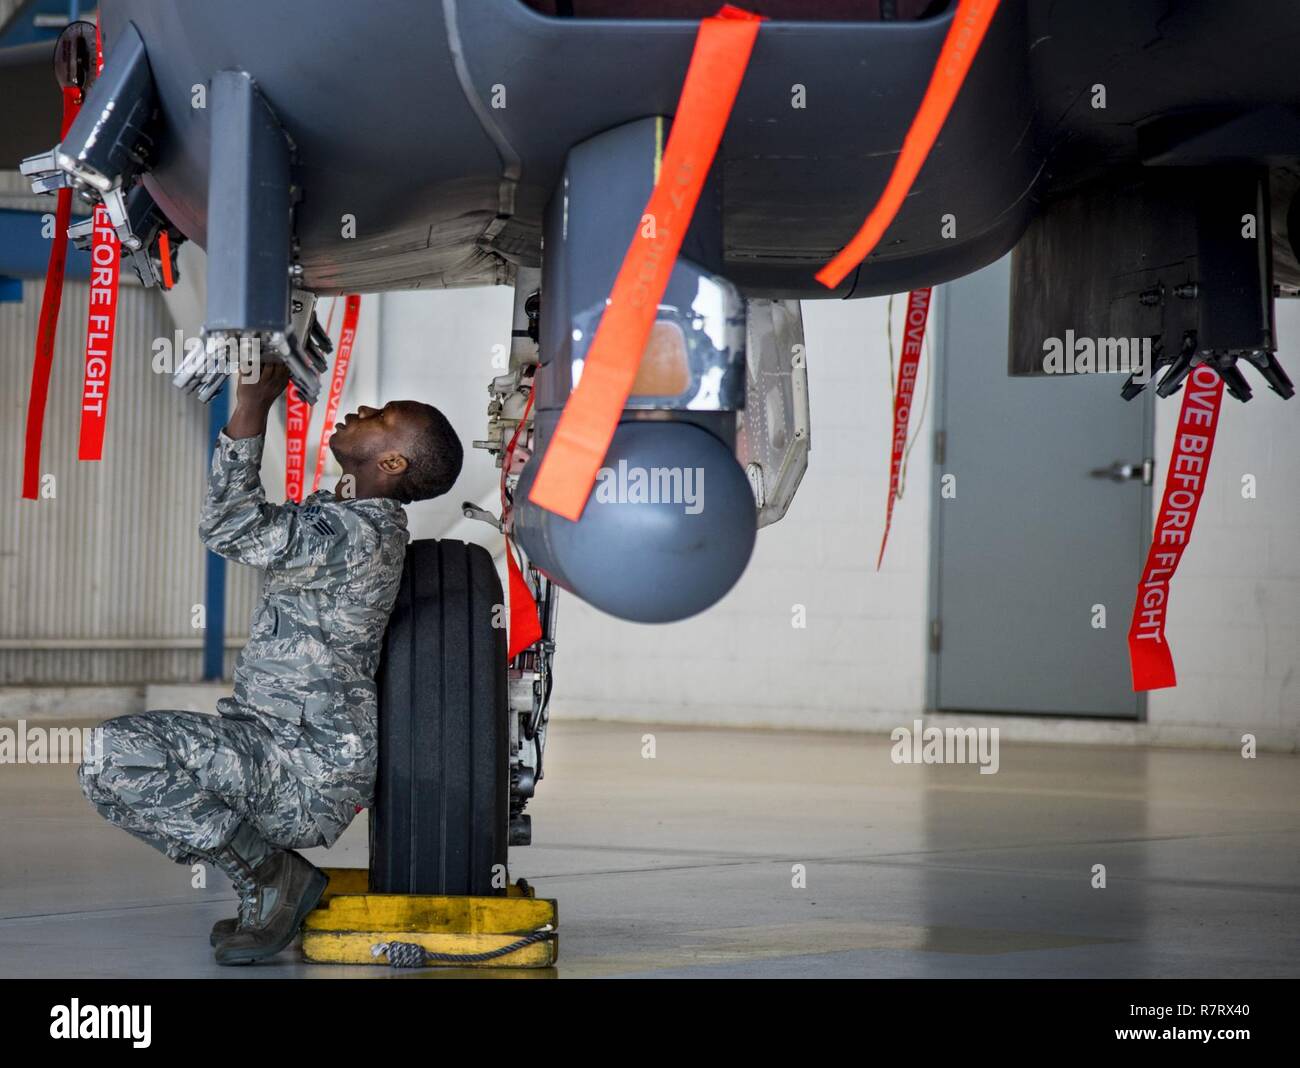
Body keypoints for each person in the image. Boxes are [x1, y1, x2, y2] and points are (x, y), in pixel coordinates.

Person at [78, 361, 463, 965]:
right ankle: (268, 882)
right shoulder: (349, 521)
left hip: (303, 771)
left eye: (382, 419)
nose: (363, 413)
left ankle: (273, 879)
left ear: (392, 464)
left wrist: (253, 404)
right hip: (275, 748)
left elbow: (231, 527)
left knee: (117, 754)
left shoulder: (358, 533)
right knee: (108, 778)